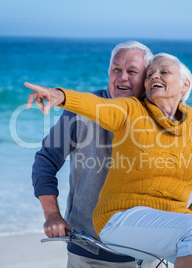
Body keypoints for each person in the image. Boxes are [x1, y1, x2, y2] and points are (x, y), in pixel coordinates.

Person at [26, 53, 192, 267]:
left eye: (163, 72)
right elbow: (95, 105)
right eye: (151, 74)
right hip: (109, 228)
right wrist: (61, 96)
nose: (155, 76)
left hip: (162, 233)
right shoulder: (130, 109)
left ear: (185, 84)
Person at [31, 41, 163, 268]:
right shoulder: (79, 111)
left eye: (132, 71)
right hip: (87, 250)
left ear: (147, 78)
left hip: (146, 253)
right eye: (116, 69)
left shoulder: (160, 115)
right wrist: (52, 214)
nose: (122, 77)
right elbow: (46, 160)